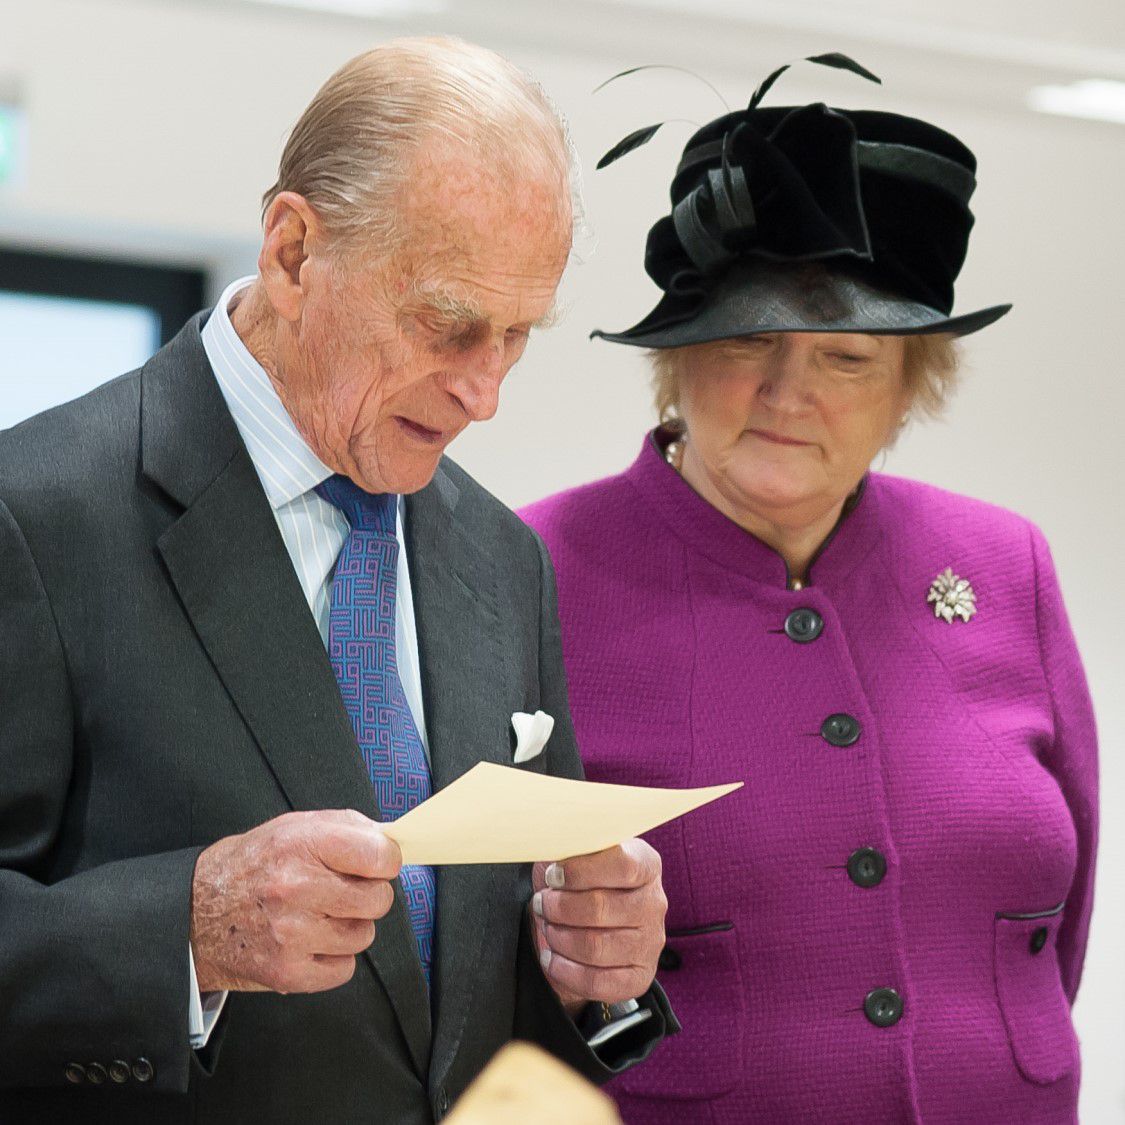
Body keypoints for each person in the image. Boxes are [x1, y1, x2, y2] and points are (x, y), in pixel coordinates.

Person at [0, 37, 675, 1124]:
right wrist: (185, 931)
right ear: (294, 252)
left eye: (517, 337)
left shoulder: (505, 562)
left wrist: (586, 967)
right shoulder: (34, 513)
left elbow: (447, 1020)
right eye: (450, 324)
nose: (484, 393)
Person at [522, 58, 1097, 1123]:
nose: (790, 395)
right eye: (751, 341)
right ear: (677, 360)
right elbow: (467, 950)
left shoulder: (1005, 562)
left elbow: (1055, 935)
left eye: (847, 358)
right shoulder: (532, 569)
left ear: (909, 391)